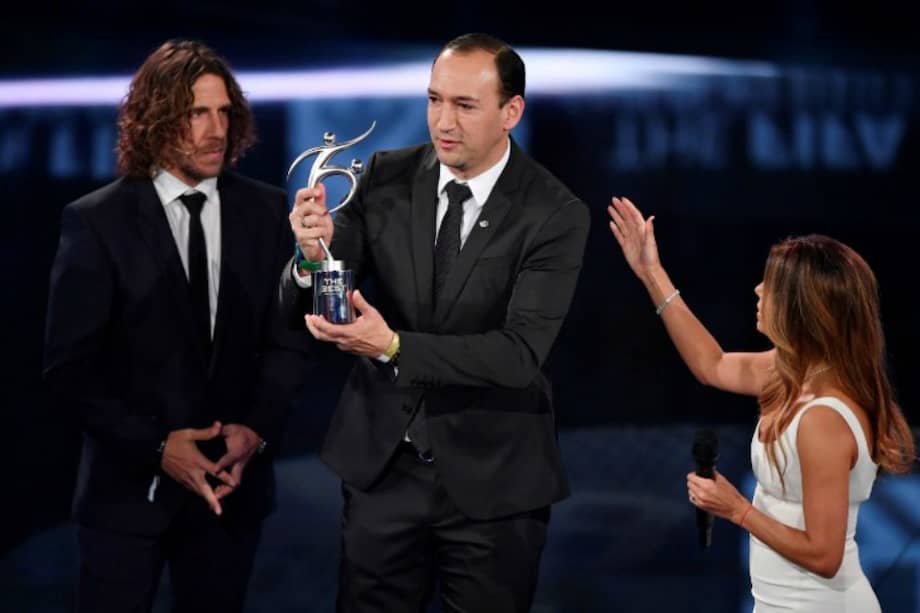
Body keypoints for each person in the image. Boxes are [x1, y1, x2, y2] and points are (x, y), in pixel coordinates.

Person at [282, 33, 590, 612]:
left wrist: (394, 345)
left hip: (493, 487)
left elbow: (519, 354)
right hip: (384, 474)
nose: (442, 122)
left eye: (465, 106)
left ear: (511, 113)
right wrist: (310, 255)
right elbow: (329, 289)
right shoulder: (383, 176)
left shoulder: (554, 212)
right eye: (433, 100)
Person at [43, 39, 309, 613]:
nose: (215, 129)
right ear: (157, 120)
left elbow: (287, 339)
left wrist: (255, 432)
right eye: (196, 113)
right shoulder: (97, 222)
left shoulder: (265, 211)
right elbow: (69, 371)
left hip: (228, 494)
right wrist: (160, 447)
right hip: (124, 500)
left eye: (224, 112)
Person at [608, 196, 915, 612]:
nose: (757, 289)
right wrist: (651, 273)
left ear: (801, 308)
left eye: (771, 284)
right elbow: (711, 364)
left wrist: (736, 509)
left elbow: (824, 557)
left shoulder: (823, 417)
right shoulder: (787, 374)